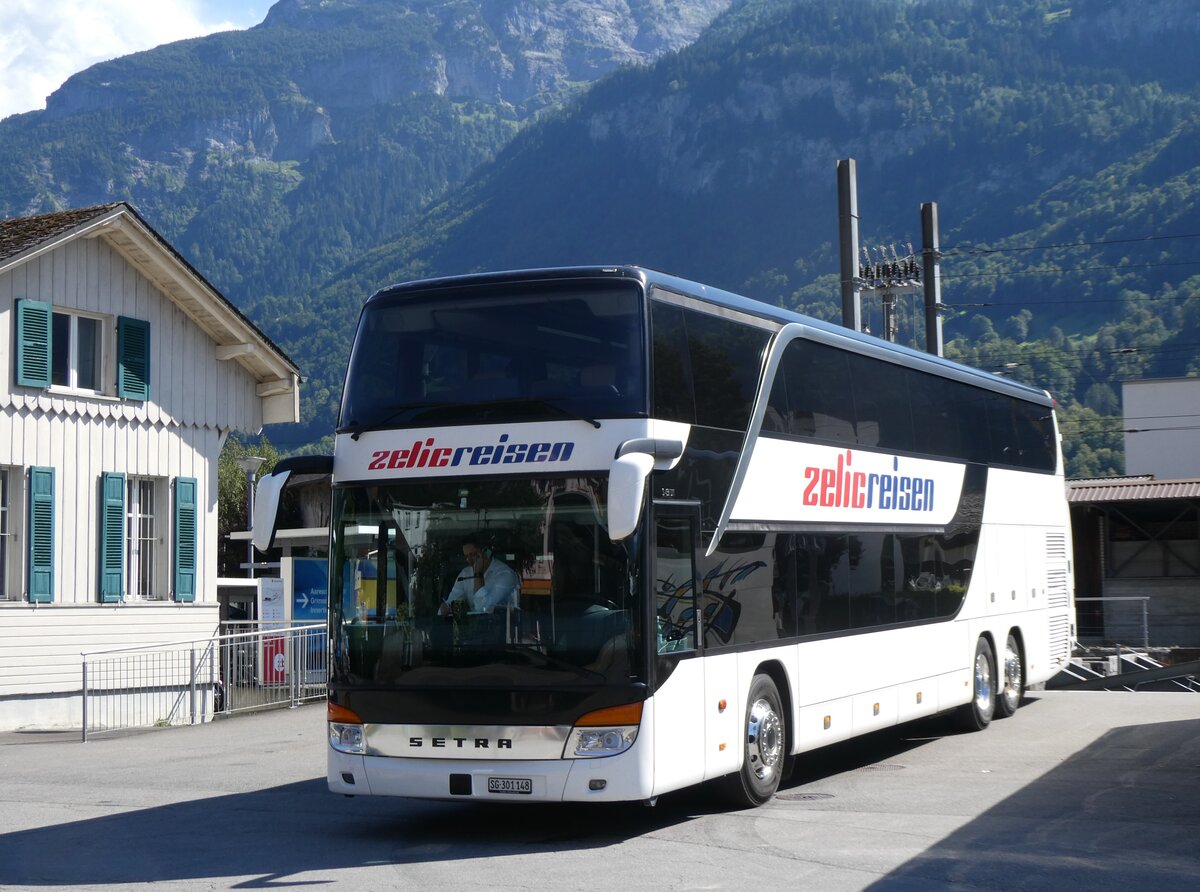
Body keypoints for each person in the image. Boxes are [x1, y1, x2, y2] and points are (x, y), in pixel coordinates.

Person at [438, 535, 520, 615]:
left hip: (501, 624)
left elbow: (482, 608)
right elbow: (453, 601)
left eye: (472, 555)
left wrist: (478, 574)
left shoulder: (505, 575)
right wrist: (447, 607)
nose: (469, 560)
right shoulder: (465, 573)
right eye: (466, 556)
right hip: (473, 626)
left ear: (485, 553)